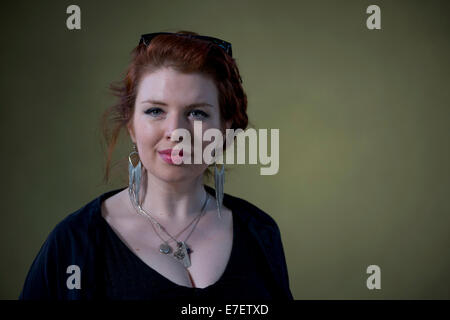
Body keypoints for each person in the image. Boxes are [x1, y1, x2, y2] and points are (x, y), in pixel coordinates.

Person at [18, 31, 294, 300]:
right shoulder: (75, 242)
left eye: (197, 113)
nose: (175, 131)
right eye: (155, 111)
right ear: (131, 125)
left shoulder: (260, 231)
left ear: (225, 128)